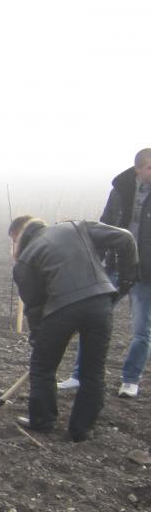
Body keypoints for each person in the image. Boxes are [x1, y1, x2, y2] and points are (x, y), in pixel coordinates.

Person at [10, 215, 136, 441]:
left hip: (60, 309)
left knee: (43, 367)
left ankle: (42, 421)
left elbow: (34, 305)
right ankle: (82, 429)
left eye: (12, 241)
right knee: (93, 371)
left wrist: (38, 337)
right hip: (100, 303)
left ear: (19, 237)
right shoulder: (76, 227)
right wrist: (127, 280)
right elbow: (125, 238)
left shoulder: (25, 261)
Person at [102, 149, 151, 398]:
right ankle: (79, 375)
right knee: (95, 319)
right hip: (117, 266)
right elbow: (104, 224)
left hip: (146, 273)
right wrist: (98, 259)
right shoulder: (120, 190)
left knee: (142, 330)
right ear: (138, 169)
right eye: (150, 168)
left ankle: (130, 380)